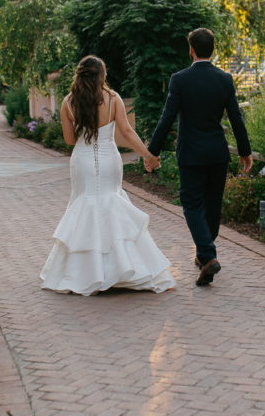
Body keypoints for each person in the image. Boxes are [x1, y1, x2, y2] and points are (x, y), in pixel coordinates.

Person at [40, 55, 176, 296]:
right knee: (111, 202)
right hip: (109, 158)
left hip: (81, 160)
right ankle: (122, 269)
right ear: (102, 75)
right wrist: (148, 155)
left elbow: (70, 140)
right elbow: (126, 131)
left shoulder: (68, 102)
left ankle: (85, 273)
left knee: (84, 205)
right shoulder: (113, 99)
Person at [147, 28, 252, 286]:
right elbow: (236, 119)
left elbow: (167, 117)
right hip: (217, 152)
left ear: (191, 50)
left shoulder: (180, 79)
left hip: (191, 154)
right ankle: (205, 253)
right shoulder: (225, 79)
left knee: (192, 204)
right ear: (212, 49)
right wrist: (245, 151)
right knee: (213, 205)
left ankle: (207, 256)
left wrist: (153, 151)